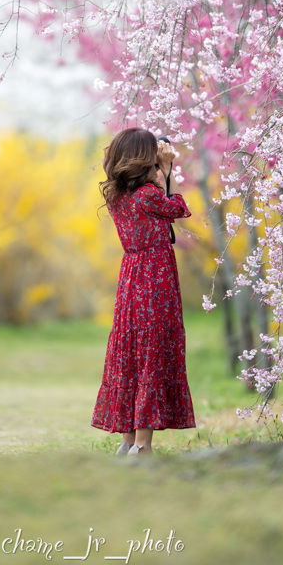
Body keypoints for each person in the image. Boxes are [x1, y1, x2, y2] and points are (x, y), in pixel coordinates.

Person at [91, 127, 197, 456]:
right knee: (153, 351)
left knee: (133, 350)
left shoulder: (117, 197)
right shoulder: (149, 195)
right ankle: (143, 446)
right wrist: (168, 171)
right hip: (156, 276)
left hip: (131, 277)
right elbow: (178, 208)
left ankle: (127, 442)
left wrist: (160, 172)